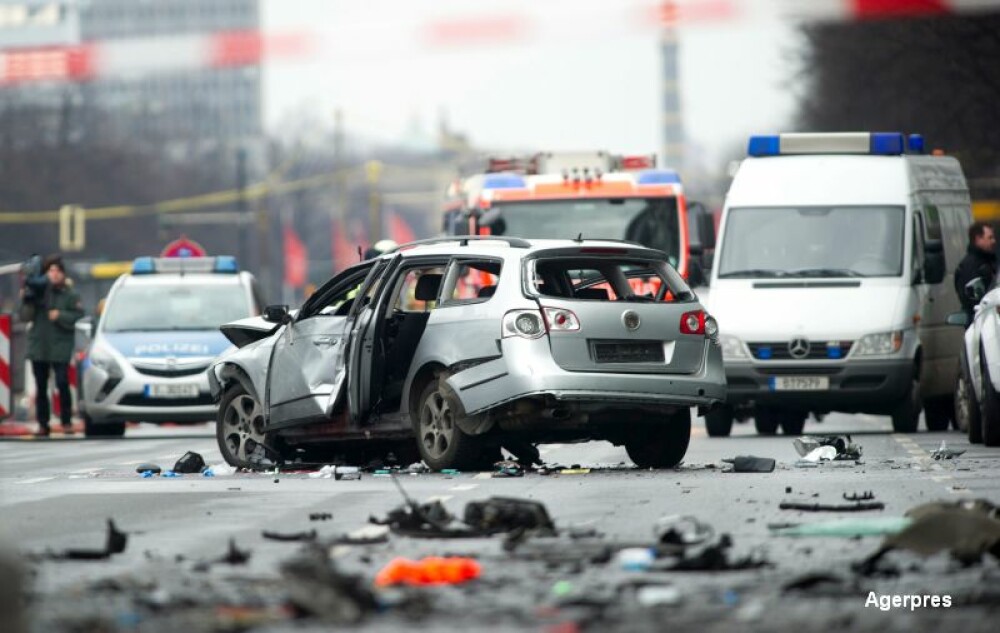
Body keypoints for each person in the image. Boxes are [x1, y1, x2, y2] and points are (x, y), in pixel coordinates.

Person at [19, 255, 84, 437]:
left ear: (63, 274)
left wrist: (60, 315)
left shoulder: (69, 294)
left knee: (62, 383)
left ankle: (66, 420)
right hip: (39, 345)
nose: (54, 275)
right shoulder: (36, 292)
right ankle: (43, 424)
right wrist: (26, 299)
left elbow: (78, 315)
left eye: (57, 271)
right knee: (41, 386)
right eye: (50, 271)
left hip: (60, 345)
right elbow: (25, 316)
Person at [954, 221, 997, 325]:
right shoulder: (970, 266)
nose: (994, 241)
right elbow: (972, 300)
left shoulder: (990, 261)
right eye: (989, 237)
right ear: (978, 239)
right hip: (980, 323)